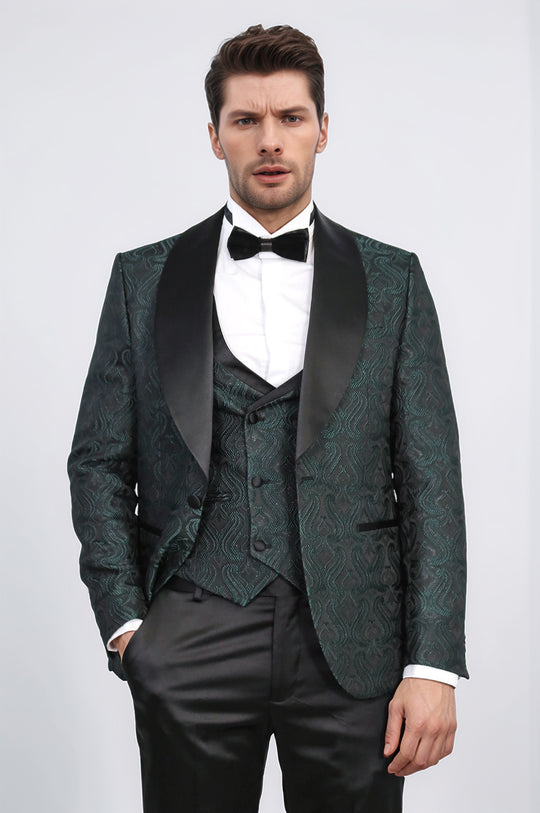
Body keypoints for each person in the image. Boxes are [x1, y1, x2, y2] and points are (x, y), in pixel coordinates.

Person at [68, 23, 468, 813]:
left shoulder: (394, 281)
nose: (271, 139)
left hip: (355, 643)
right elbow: (100, 463)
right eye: (246, 119)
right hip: (192, 633)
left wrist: (432, 663)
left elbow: (431, 480)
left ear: (323, 128)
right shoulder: (142, 280)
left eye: (290, 116)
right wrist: (127, 627)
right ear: (215, 136)